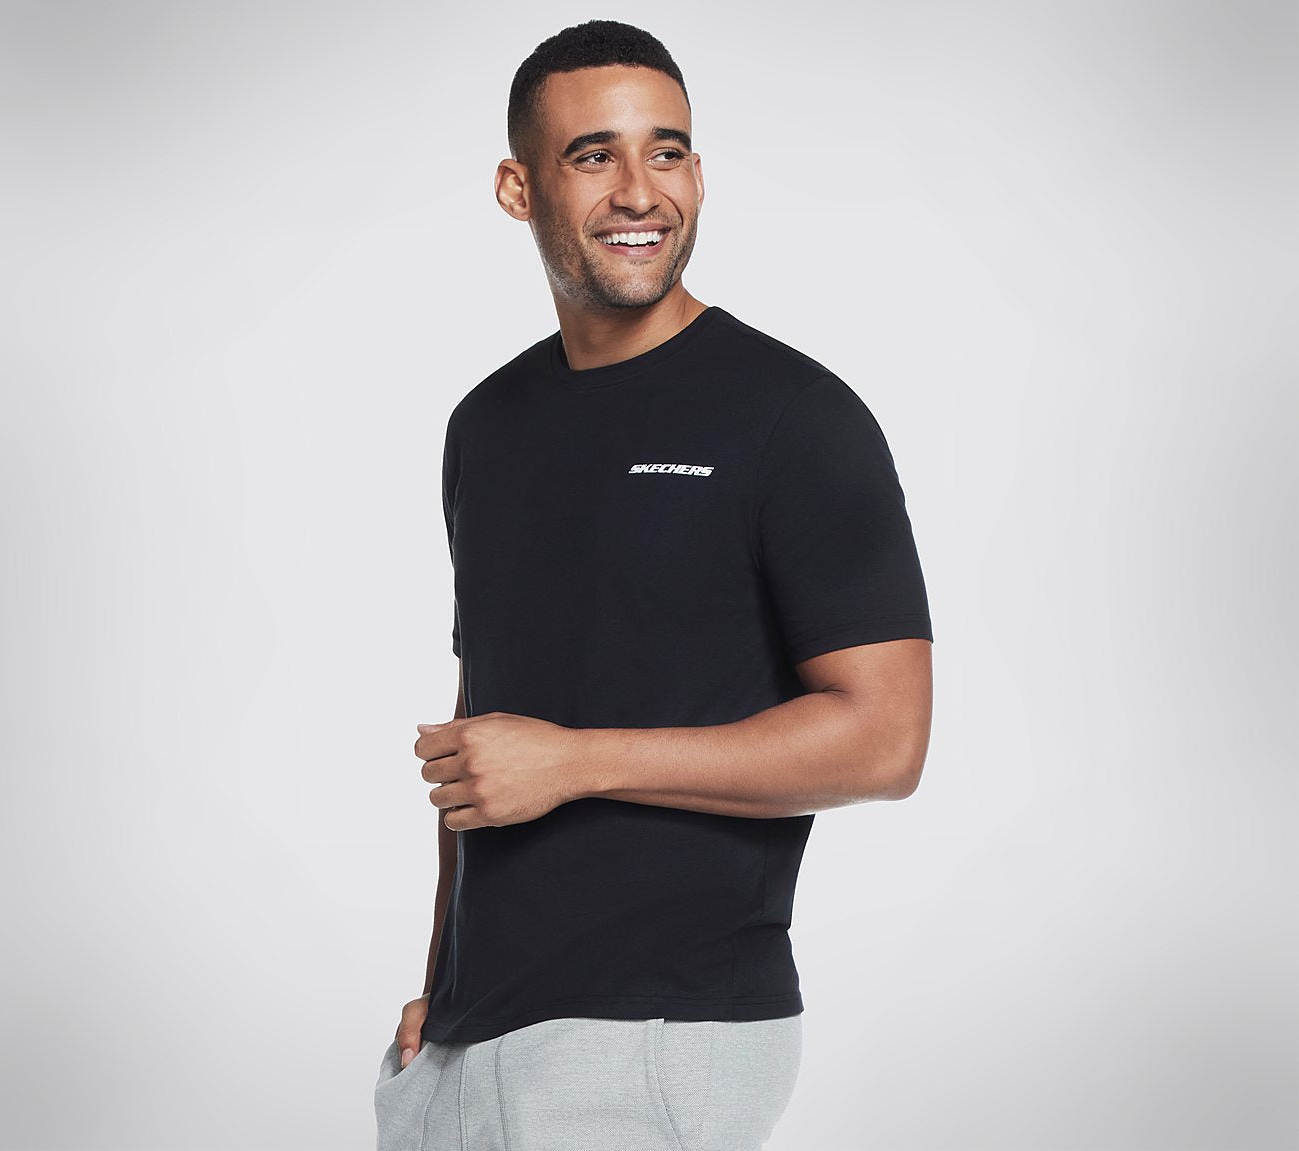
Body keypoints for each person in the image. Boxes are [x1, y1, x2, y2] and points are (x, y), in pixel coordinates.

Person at [373, 19, 934, 1151]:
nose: (640, 191)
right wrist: (440, 976)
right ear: (517, 188)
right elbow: (488, 727)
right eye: (595, 156)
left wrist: (578, 761)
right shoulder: (487, 423)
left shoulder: (795, 417)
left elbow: (886, 741)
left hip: (658, 1032)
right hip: (466, 1038)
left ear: (698, 172)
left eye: (666, 151)